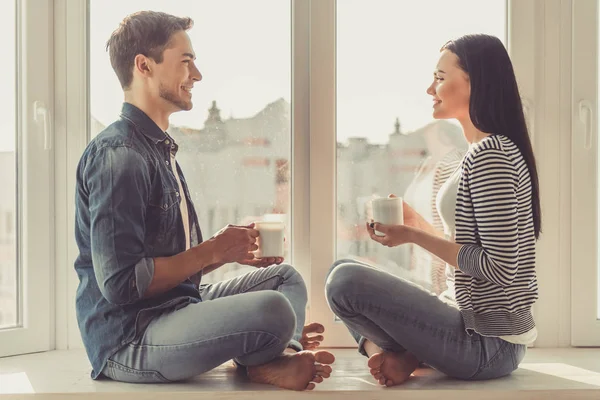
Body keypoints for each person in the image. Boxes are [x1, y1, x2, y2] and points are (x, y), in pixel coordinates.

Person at [74, 10, 333, 391]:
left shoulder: (158, 149)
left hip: (176, 307)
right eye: (186, 62)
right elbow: (122, 284)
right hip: (131, 339)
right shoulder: (120, 155)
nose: (197, 75)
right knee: (275, 310)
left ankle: (275, 354)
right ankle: (271, 352)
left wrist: (226, 253)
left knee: (283, 279)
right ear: (144, 66)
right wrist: (212, 251)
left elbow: (168, 270)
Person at [325, 34, 541, 386]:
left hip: (488, 343)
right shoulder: (477, 152)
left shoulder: (493, 155)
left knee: (344, 282)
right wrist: (417, 227)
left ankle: (389, 354)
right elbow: (473, 256)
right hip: (467, 324)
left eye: (440, 78)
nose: (430, 89)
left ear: (477, 81)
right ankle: (400, 357)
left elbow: (500, 268)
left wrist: (414, 236)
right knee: (342, 267)